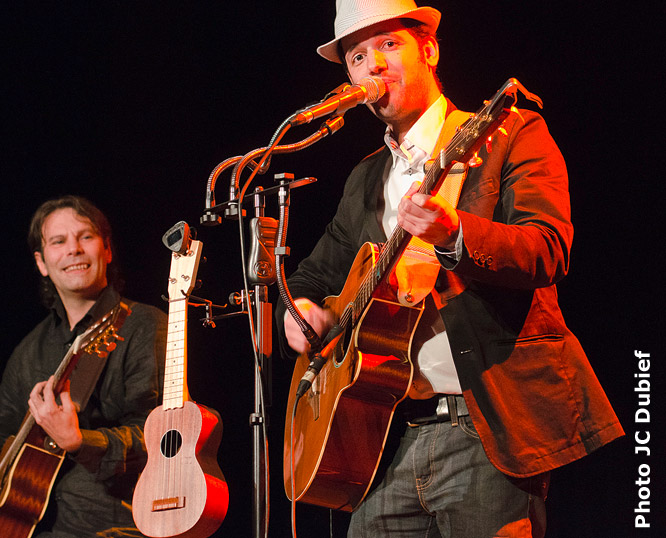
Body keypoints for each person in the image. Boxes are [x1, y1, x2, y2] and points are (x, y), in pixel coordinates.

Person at [276, 1, 624, 537]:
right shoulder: (365, 179)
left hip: (486, 432)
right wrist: (300, 311)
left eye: (389, 45)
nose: (373, 65)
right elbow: (311, 278)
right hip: (382, 441)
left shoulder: (508, 132)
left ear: (430, 50)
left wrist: (455, 233)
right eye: (357, 57)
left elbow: (547, 249)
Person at [0, 195, 167, 538]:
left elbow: (165, 439)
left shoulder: (145, 325)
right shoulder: (27, 352)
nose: (73, 249)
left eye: (85, 237)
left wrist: (79, 441)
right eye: (58, 241)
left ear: (107, 250)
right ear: (41, 262)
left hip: (117, 527)